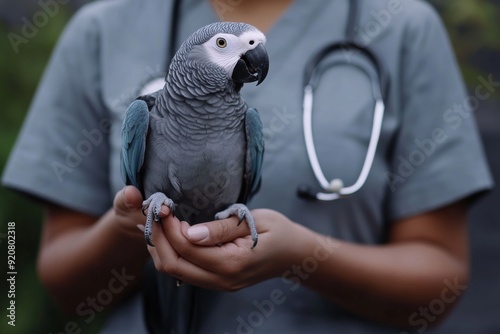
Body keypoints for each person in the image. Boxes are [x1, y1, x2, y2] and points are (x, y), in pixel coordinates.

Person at [2, 0, 493, 333]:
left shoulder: (404, 24)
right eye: (223, 46)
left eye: (250, 46)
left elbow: (442, 279)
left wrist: (303, 255)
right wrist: (132, 226)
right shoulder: (102, 28)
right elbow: (66, 286)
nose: (252, 54)